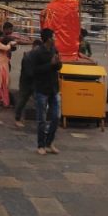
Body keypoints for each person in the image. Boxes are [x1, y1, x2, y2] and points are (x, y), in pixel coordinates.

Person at [29, 27, 62, 155]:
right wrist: (51, 65)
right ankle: (41, 145)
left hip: (54, 88)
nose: (55, 39)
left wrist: (58, 63)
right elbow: (33, 71)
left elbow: (58, 66)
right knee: (42, 119)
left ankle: (49, 142)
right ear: (48, 39)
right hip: (41, 89)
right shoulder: (37, 53)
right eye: (54, 36)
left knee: (55, 117)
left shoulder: (54, 50)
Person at [14, 38, 41, 127]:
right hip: (26, 82)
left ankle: (40, 120)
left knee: (38, 101)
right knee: (22, 100)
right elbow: (28, 72)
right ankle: (17, 118)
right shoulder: (28, 56)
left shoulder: (37, 56)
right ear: (33, 46)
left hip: (34, 82)